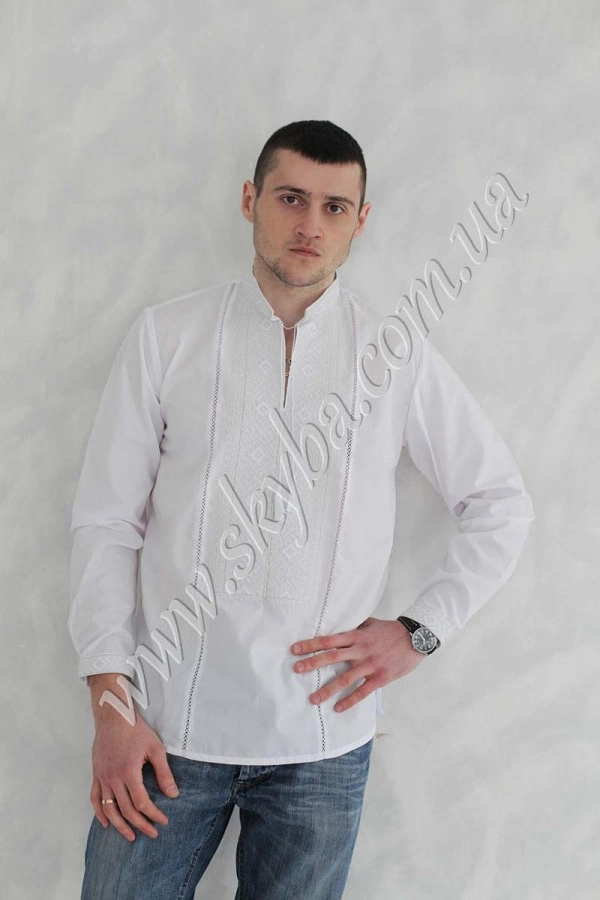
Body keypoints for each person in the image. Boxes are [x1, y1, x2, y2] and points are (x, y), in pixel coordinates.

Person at [68, 119, 535, 899]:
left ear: (361, 219)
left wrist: (420, 631)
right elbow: (106, 524)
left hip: (322, 743)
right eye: (290, 198)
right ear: (250, 200)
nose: (310, 225)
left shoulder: (394, 353)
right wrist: (109, 704)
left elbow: (499, 502)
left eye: (334, 206)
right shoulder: (168, 336)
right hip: (164, 729)